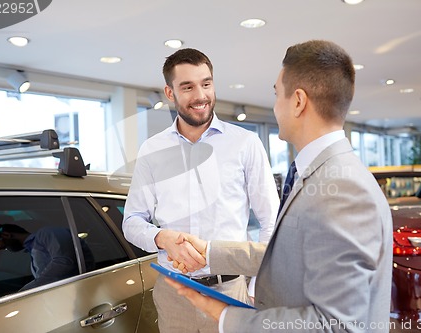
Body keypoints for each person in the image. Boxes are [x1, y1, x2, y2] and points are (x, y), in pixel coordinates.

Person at [166, 40, 394, 333]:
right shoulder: (322, 174)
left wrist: (226, 316)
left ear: (298, 101)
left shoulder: (343, 189)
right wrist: (211, 252)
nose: (275, 107)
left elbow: (335, 325)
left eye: (277, 95)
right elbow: (290, 254)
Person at [122, 48, 279, 332]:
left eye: (206, 83)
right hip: (173, 294)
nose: (201, 95)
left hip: (230, 293)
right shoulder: (152, 150)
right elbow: (132, 221)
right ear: (170, 93)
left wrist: (257, 286)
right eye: (188, 87)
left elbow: (272, 219)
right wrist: (160, 237)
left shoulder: (245, 143)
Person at [0, 223, 95, 291]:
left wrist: (28, 290)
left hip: (82, 290)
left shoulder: (47, 233)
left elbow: (64, 261)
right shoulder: (32, 250)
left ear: (6, 235)